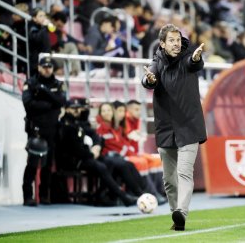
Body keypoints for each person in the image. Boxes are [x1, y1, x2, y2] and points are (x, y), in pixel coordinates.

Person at [142, 24, 206, 231]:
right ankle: (175, 214)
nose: (176, 44)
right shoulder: (156, 63)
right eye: (171, 40)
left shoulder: (188, 57)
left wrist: (197, 59)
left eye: (178, 40)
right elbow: (149, 78)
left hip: (189, 125)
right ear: (162, 44)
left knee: (184, 172)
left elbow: (193, 63)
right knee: (168, 179)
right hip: (166, 127)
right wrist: (148, 80)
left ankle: (182, 212)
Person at [57, 99, 138, 207]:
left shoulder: (79, 122)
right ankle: (122, 196)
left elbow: (95, 136)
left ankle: (102, 195)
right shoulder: (65, 125)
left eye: (78, 108)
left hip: (87, 156)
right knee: (101, 166)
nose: (76, 111)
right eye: (73, 108)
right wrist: (91, 154)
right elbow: (74, 149)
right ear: (66, 109)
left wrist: (97, 147)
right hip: (74, 160)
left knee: (110, 162)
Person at [22, 57, 66, 206]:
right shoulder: (31, 83)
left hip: (52, 129)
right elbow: (28, 104)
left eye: (49, 66)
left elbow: (61, 102)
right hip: (36, 128)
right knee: (33, 162)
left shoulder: (58, 84)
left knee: (48, 165)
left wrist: (45, 92)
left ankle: (44, 195)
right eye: (44, 66)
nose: (47, 69)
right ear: (39, 67)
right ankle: (28, 195)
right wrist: (50, 104)